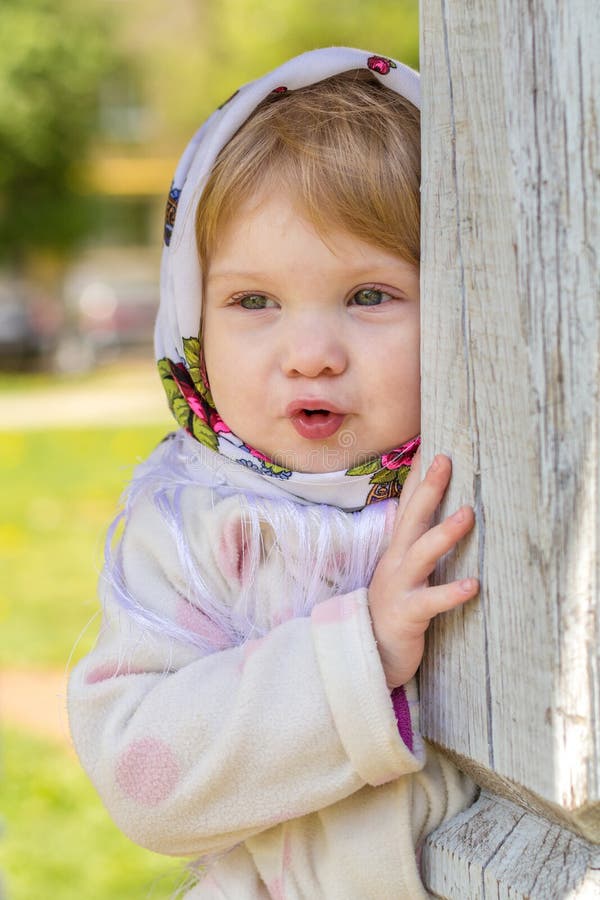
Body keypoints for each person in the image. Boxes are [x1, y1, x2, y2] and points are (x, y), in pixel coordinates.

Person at [68, 47, 479, 899]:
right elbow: (141, 775)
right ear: (191, 317)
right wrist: (360, 655)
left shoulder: (480, 492)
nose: (311, 355)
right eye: (254, 301)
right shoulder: (190, 529)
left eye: (369, 295)